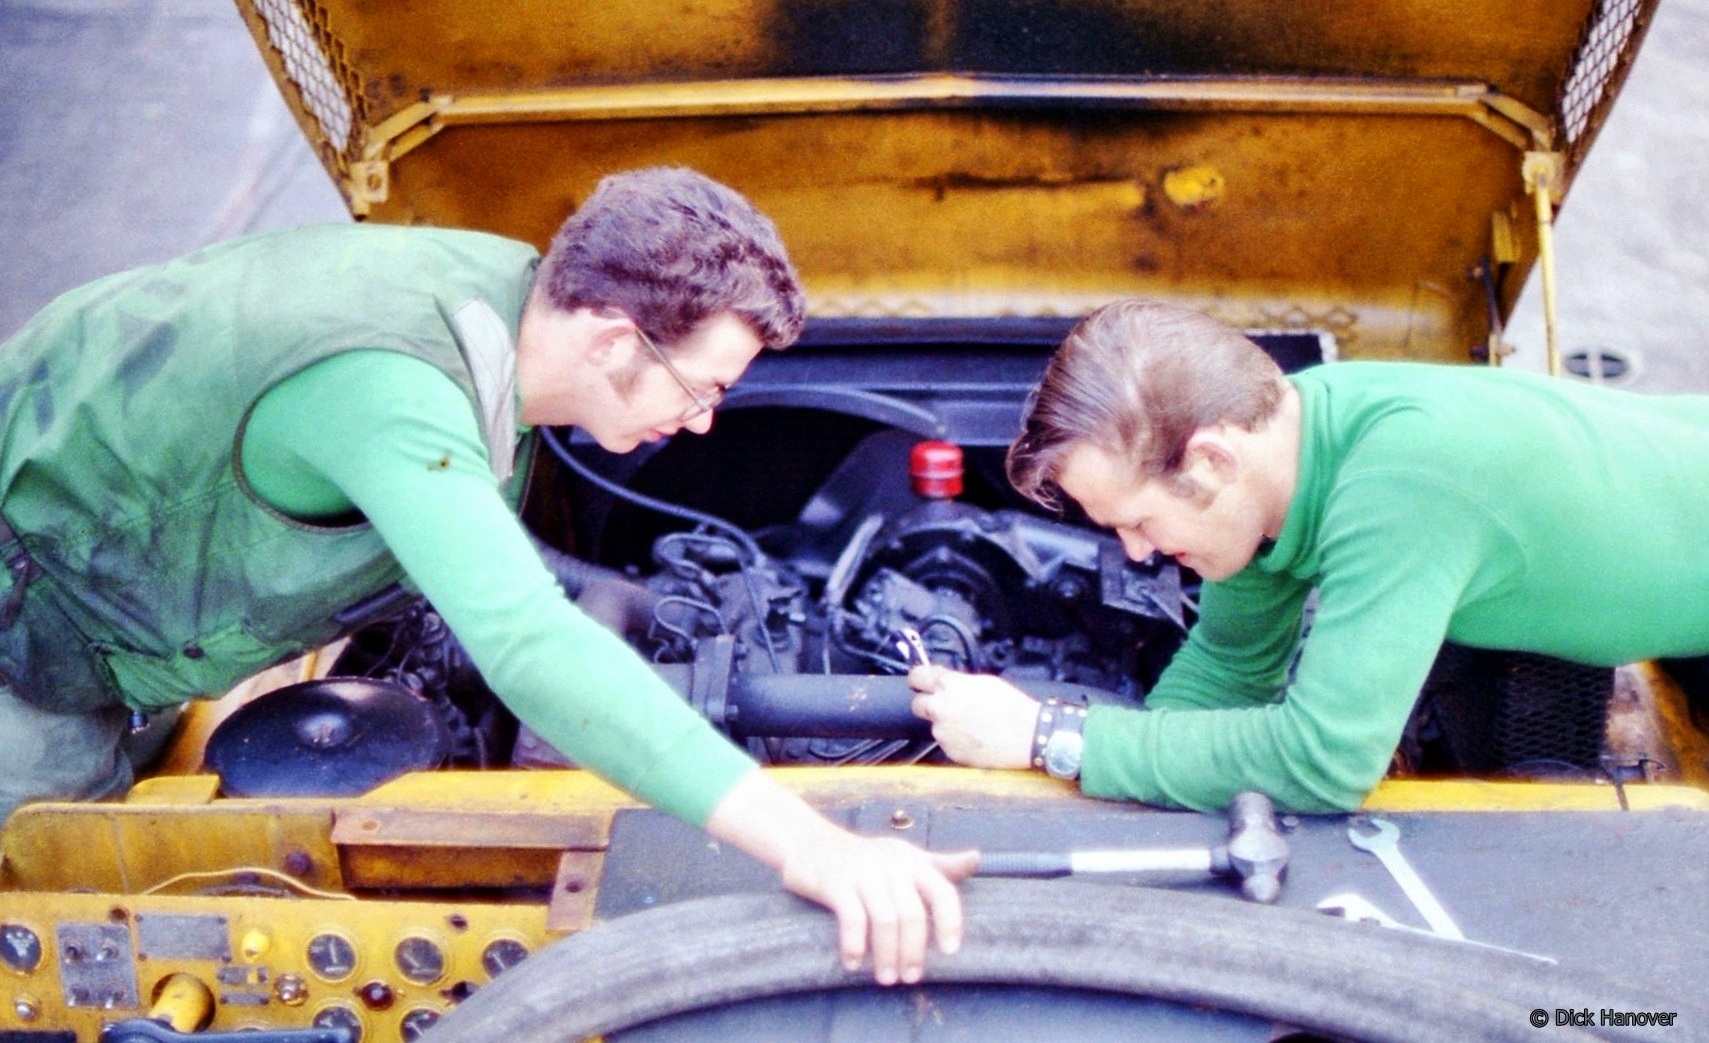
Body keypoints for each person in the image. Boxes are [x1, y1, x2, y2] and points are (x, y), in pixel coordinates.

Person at [0, 166, 974, 984]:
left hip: (121, 592)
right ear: (612, 340)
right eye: (700, 387)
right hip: (29, 633)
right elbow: (527, 647)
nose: (702, 421)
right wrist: (812, 843)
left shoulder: (508, 298)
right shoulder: (393, 385)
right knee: (63, 915)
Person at [908, 298, 1709, 814]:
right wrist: (1114, 781)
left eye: (1140, 521)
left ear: (1211, 460)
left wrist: (1051, 736)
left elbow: (1326, 761)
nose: (1137, 552)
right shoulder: (1284, 449)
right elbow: (1228, 666)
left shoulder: (1400, 483)